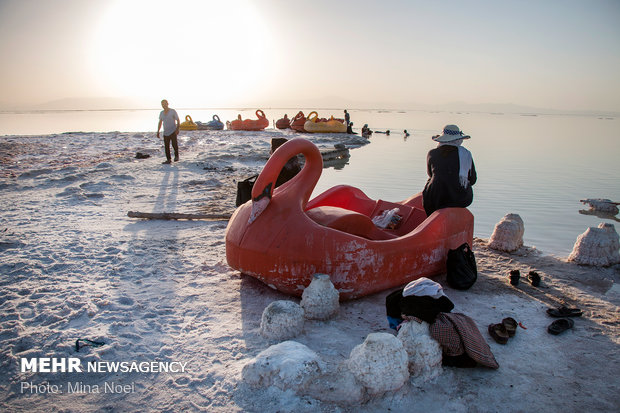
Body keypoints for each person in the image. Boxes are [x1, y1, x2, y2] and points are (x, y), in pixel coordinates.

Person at [422, 124, 477, 216]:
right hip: (459, 198)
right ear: (458, 140)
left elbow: (430, 174)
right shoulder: (466, 154)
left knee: (431, 180)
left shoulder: (432, 153)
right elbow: (472, 180)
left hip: (434, 199)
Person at [157, 99, 180, 164]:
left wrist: (177, 129)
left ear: (167, 104)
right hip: (165, 132)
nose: (164, 105)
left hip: (173, 131)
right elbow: (160, 122)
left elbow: (178, 120)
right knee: (166, 146)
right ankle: (168, 159)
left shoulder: (172, 111)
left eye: (165, 104)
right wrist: (158, 131)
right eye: (162, 104)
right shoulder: (161, 113)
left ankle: (176, 156)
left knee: (174, 145)